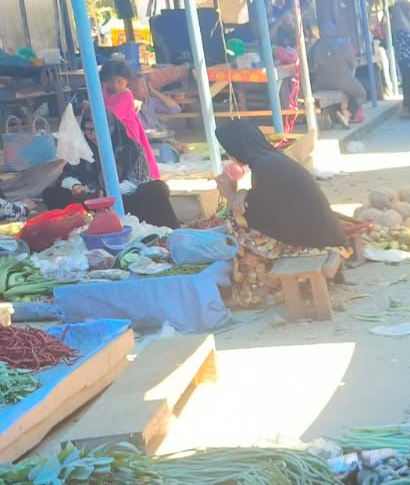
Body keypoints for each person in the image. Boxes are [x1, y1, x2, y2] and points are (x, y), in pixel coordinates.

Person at [213, 122, 350, 308]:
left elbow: (253, 217)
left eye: (228, 150)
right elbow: (268, 202)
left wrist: (230, 194)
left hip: (317, 241)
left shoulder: (265, 167)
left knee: (237, 229)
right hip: (325, 234)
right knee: (238, 224)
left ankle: (252, 292)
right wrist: (242, 194)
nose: (229, 156)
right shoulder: (271, 159)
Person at [51, 60, 180, 227]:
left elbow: (136, 180)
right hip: (94, 201)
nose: (115, 85)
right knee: (53, 192)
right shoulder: (85, 148)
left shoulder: (130, 146)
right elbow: (69, 173)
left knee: (155, 188)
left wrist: (108, 192)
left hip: (124, 186)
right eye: (88, 131)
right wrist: (77, 186)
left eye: (120, 81)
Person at [308, 32, 367, 126]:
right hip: (342, 81)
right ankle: (346, 115)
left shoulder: (314, 47)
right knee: (361, 94)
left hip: (319, 83)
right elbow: (353, 64)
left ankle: (330, 114)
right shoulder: (342, 44)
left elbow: (311, 68)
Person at [389, 0, 410, 116]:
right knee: (409, 83)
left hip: (404, 58)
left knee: (408, 82)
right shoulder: (402, 27)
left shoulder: (401, 24)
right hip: (407, 58)